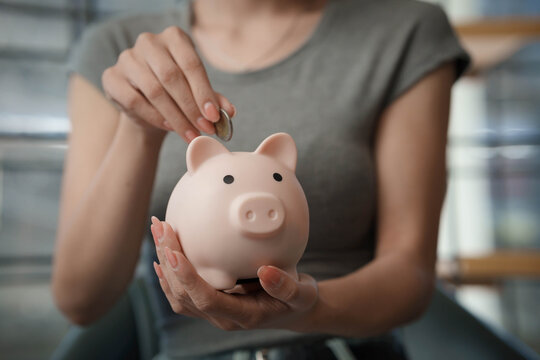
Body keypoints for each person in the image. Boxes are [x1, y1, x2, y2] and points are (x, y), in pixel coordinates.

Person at [52, 0, 470, 358]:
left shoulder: (406, 30)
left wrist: (308, 307)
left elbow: (411, 275)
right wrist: (139, 127)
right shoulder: (118, 52)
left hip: (344, 347)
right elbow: (81, 301)